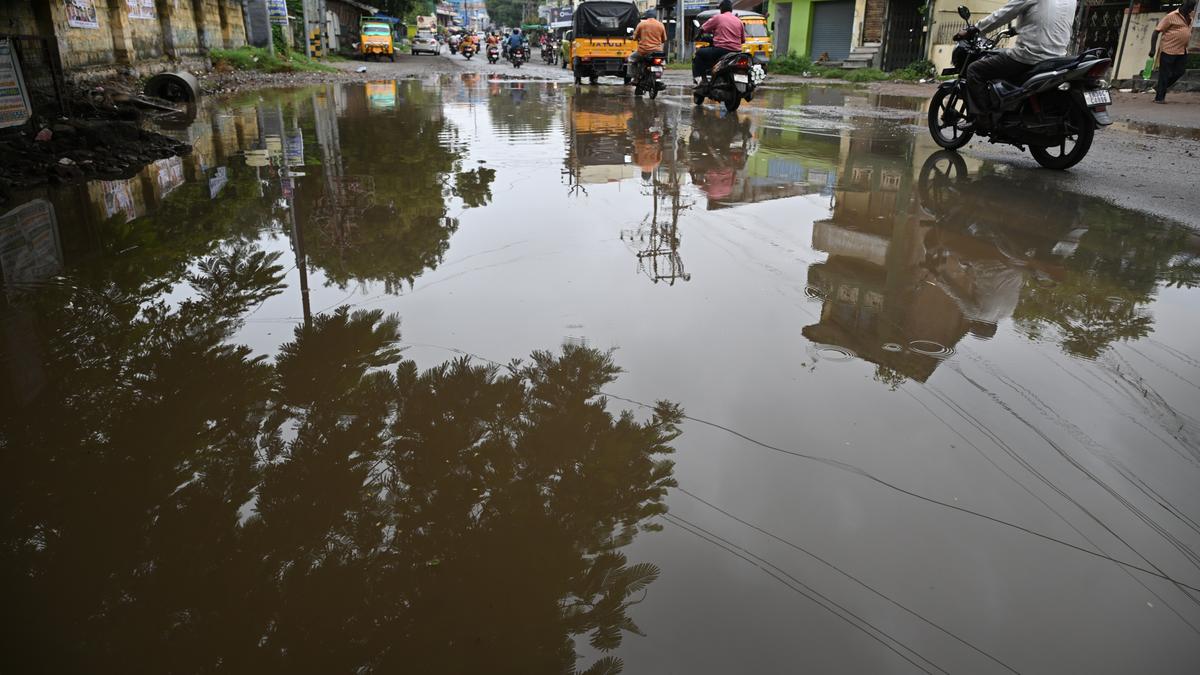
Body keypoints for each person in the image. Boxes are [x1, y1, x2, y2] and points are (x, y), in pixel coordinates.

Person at [954, 0, 1077, 117]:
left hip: (1030, 55)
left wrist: (975, 29)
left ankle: (983, 117)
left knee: (974, 70)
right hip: (1056, 57)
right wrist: (1017, 29)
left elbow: (1004, 13)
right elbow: (1047, 20)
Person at [1150, 0, 1194, 103]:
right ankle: (1159, 98)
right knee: (1164, 74)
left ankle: (1159, 87)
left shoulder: (1189, 18)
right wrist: (1152, 49)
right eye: (1188, 8)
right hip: (1168, 49)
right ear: (1183, 6)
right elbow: (1156, 32)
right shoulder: (1171, 16)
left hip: (1182, 50)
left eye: (1191, 8)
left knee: (1180, 71)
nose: (1190, 10)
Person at [693, 1, 745, 84]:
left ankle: (701, 80)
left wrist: (698, 36)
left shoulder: (718, 18)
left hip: (721, 50)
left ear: (721, 8)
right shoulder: (739, 21)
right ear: (731, 9)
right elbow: (742, 40)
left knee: (699, 53)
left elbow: (703, 28)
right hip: (737, 52)